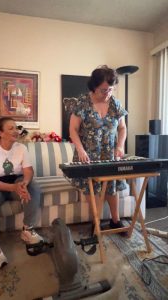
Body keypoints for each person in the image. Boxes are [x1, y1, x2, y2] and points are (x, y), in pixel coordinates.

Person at [0, 117, 43, 270]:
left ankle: (28, 230)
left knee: (34, 187)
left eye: (16, 128)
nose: (16, 131)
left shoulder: (21, 148)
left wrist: (24, 183)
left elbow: (28, 171)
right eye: (11, 128)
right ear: (1, 133)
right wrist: (13, 188)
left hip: (15, 183)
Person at [69, 65, 128, 230]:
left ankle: (115, 220)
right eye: (103, 90)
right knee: (92, 190)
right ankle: (96, 222)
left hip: (109, 153)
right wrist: (80, 150)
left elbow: (122, 128)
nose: (107, 93)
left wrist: (120, 145)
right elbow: (73, 130)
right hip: (87, 153)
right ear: (94, 87)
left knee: (111, 187)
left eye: (111, 89)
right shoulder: (82, 102)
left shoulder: (115, 103)